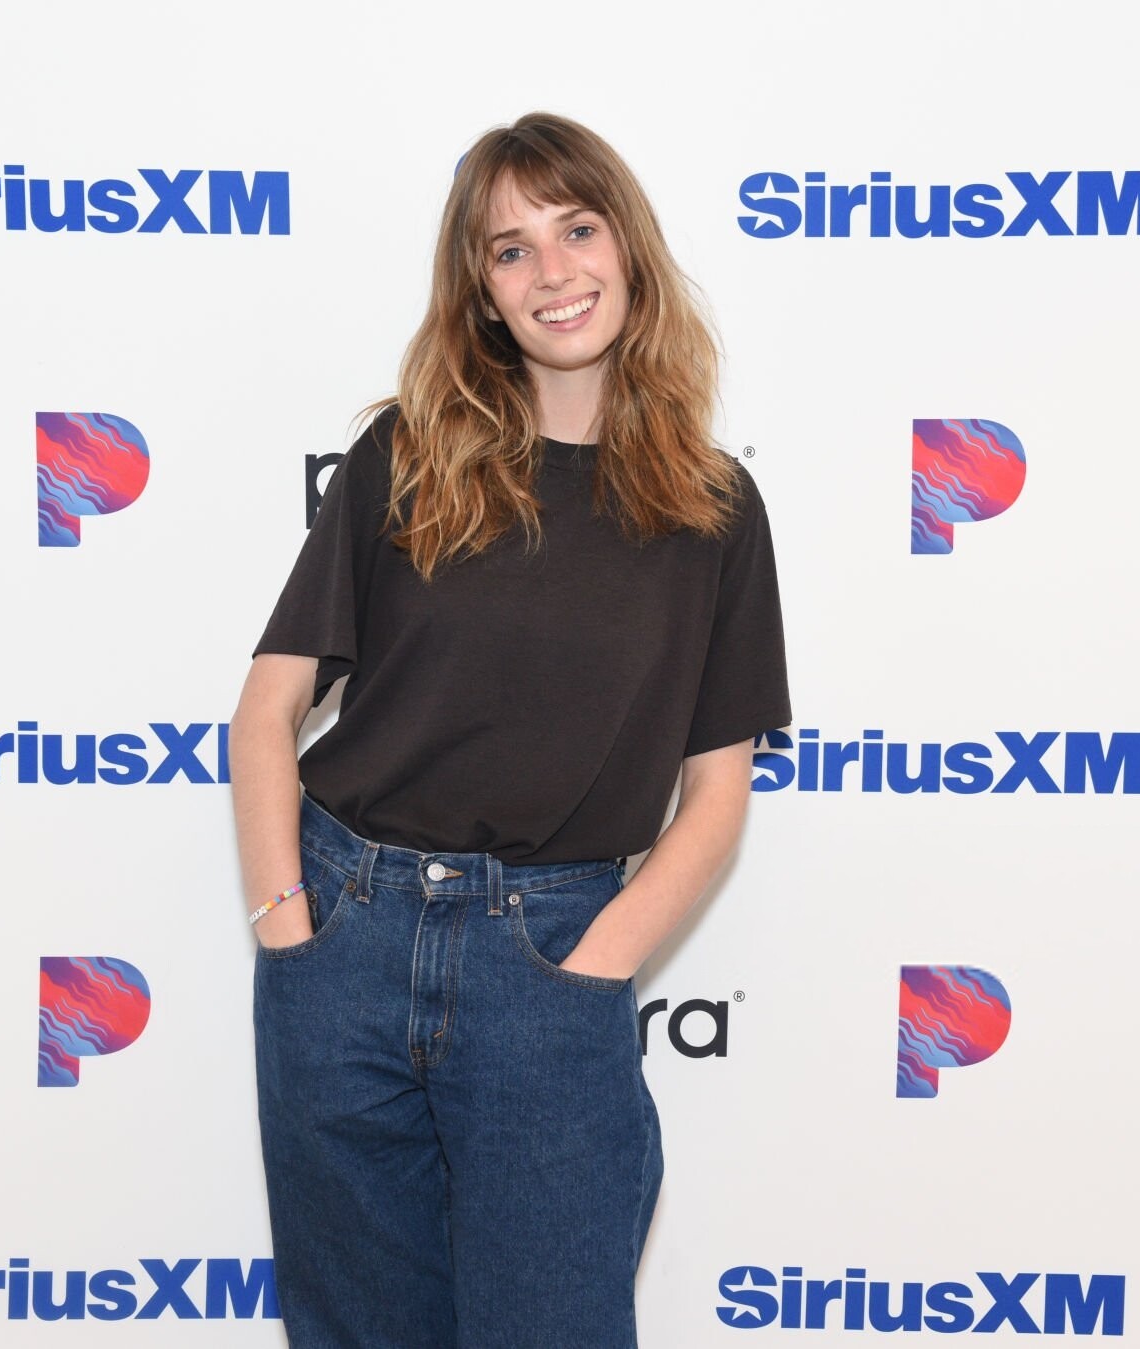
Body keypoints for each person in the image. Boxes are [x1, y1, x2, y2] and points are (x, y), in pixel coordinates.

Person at [230, 111, 790, 1348]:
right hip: (345, 939)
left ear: (627, 246)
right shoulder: (406, 454)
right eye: (510, 248)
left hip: (548, 955)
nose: (552, 272)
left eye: (576, 229)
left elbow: (715, 795)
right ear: (480, 291)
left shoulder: (712, 508)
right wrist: (287, 930)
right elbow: (268, 708)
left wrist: (591, 966)